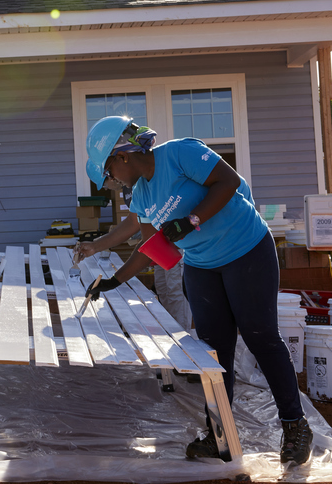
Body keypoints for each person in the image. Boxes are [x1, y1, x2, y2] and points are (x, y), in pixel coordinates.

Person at [82, 115, 313, 466]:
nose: (110, 182)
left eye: (109, 172)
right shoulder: (141, 197)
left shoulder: (180, 154)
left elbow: (228, 181)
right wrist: (114, 281)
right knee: (212, 352)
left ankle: (295, 426)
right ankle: (217, 432)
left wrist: (191, 220)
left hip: (246, 250)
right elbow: (152, 251)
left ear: (123, 155)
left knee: (260, 335)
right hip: (203, 267)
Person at [72, 194, 192, 330]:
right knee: (164, 291)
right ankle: (172, 333)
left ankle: (182, 339)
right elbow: (137, 228)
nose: (110, 185)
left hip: (181, 249)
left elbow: (147, 242)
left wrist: (114, 280)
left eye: (109, 175)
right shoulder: (138, 191)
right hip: (162, 249)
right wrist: (96, 248)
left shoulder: (152, 186)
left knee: (175, 294)